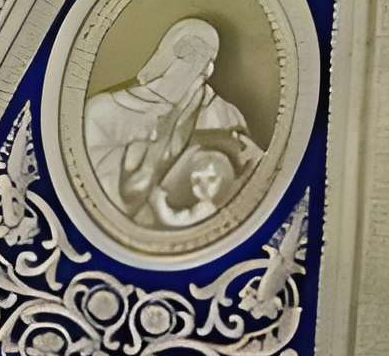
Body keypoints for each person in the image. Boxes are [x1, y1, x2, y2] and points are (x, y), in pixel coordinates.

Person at [83, 18, 260, 231]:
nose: (195, 66)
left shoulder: (222, 113)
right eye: (186, 53)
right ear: (164, 55)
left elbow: (250, 170)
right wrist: (153, 157)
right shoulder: (103, 110)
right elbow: (90, 180)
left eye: (204, 59)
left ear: (209, 69)